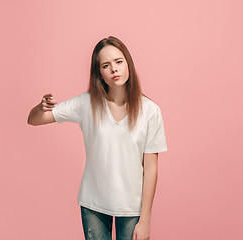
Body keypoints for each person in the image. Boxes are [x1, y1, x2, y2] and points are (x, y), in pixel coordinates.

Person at [27, 36, 167, 240]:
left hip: (131, 207)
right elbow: (34, 120)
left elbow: (151, 168)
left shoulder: (150, 111)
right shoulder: (87, 104)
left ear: (128, 63)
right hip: (93, 203)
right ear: (99, 73)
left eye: (119, 62)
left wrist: (144, 219)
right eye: (106, 65)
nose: (114, 69)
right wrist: (40, 108)